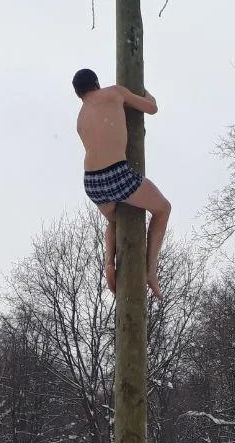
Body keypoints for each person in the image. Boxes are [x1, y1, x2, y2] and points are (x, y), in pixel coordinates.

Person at [72, 68, 171, 300]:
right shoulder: (114, 92)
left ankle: (109, 262)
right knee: (162, 208)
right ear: (96, 83)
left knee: (115, 219)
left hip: (92, 181)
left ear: (78, 94)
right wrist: (142, 89)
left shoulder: (80, 117)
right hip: (117, 174)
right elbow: (151, 108)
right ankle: (151, 271)